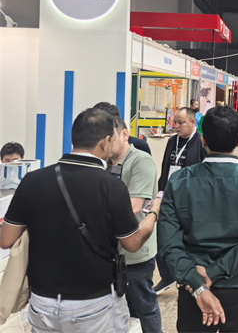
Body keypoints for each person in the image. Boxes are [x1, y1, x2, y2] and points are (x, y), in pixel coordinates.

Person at [0, 108, 161, 332]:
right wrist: (153, 213)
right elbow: (132, 242)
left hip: (42, 302)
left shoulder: (32, 181)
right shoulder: (111, 186)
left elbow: (5, 239)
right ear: (105, 143)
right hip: (92, 304)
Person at [158, 106, 238, 333]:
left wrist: (198, 281)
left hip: (192, 287)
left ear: (202, 140)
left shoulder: (179, 181)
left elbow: (168, 243)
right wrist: (215, 271)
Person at [109, 115, 162, 332]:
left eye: (110, 137)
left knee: (142, 307)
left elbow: (133, 207)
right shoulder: (102, 163)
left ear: (124, 134)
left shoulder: (140, 160)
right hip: (108, 251)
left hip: (135, 252)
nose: (104, 143)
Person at [155, 106, 206, 294]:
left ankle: (189, 278)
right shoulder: (172, 141)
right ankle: (167, 275)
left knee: (187, 241)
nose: (176, 126)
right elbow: (165, 167)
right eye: (174, 122)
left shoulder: (201, 143)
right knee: (161, 238)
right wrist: (160, 192)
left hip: (190, 201)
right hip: (169, 197)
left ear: (193, 122)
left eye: (180, 122)